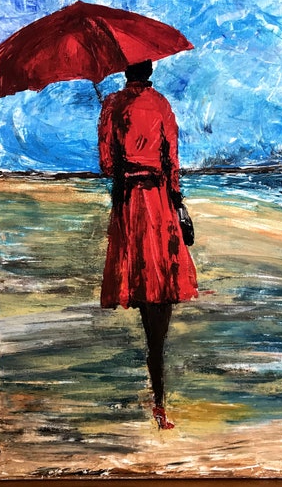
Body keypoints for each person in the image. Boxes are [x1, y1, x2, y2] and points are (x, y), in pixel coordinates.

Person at [98, 59, 198, 430]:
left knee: (140, 286)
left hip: (129, 204)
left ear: (126, 72)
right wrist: (177, 200)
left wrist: (115, 131)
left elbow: (107, 164)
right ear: (151, 71)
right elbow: (172, 164)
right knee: (162, 292)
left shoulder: (112, 105)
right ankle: (159, 397)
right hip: (159, 204)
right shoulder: (162, 105)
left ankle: (156, 395)